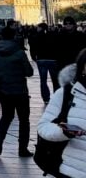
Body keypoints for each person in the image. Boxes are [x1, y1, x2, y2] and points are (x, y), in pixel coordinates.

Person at [38, 48, 86, 177]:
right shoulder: (66, 94)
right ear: (82, 68)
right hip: (71, 170)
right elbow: (43, 126)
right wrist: (64, 132)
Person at [0, 25, 35, 156]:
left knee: (6, 117)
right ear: (14, 36)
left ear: (0, 36)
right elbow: (29, 72)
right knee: (24, 120)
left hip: (3, 90)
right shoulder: (19, 52)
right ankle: (22, 149)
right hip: (20, 90)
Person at [29, 22, 58, 103]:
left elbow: (32, 47)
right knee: (55, 80)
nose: (37, 29)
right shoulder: (53, 35)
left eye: (38, 27)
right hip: (52, 59)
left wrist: (33, 57)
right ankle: (57, 96)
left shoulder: (36, 36)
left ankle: (46, 98)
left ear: (41, 28)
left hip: (41, 59)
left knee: (43, 80)